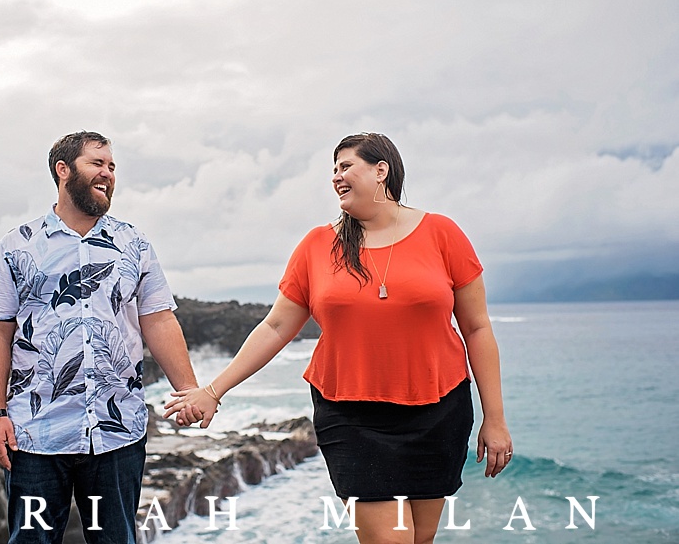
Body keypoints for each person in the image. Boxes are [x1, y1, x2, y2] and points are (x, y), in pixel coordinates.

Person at [165, 133, 513, 544]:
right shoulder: (318, 245)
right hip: (352, 416)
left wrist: (496, 418)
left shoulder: (442, 233)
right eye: (333, 169)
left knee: (420, 539)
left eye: (345, 166)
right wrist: (213, 390)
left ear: (381, 170)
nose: (336, 177)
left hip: (438, 412)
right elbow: (276, 327)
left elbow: (476, 327)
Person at [0, 131, 201, 544]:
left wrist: (188, 390)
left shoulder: (133, 243)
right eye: (97, 163)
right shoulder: (16, 247)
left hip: (117, 429)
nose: (108, 173)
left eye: (112, 166)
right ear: (63, 171)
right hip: (35, 432)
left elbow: (159, 319)